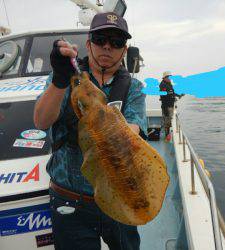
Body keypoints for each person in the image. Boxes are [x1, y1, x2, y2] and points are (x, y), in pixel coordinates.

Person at [34, 12, 147, 250]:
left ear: (124, 50)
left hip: (119, 197)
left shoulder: (134, 88)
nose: (107, 46)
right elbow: (41, 121)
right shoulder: (65, 78)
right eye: (100, 39)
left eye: (116, 42)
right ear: (88, 43)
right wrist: (59, 80)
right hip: (70, 199)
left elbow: (133, 131)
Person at [159, 71, 180, 140]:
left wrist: (178, 95)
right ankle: (167, 136)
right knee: (167, 121)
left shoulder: (169, 84)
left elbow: (172, 92)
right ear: (165, 77)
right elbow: (163, 96)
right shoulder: (162, 85)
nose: (170, 78)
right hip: (166, 106)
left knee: (169, 120)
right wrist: (171, 95)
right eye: (168, 77)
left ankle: (168, 135)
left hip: (171, 105)